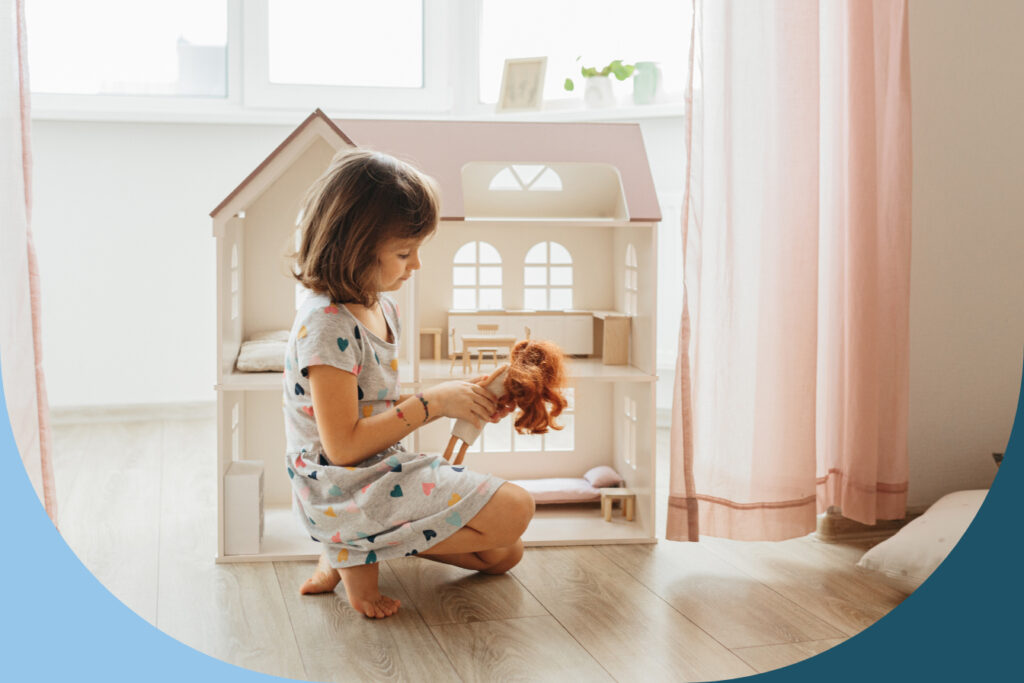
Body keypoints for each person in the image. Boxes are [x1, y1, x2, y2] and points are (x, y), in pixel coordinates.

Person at [283, 148, 535, 619]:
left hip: (378, 471)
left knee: (504, 553)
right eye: (404, 252)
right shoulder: (326, 324)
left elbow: (371, 405)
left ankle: (352, 547)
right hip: (342, 486)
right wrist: (434, 402)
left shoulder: (382, 306)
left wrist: (460, 398)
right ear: (354, 247)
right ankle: (349, 547)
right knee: (515, 509)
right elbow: (342, 447)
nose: (416, 265)